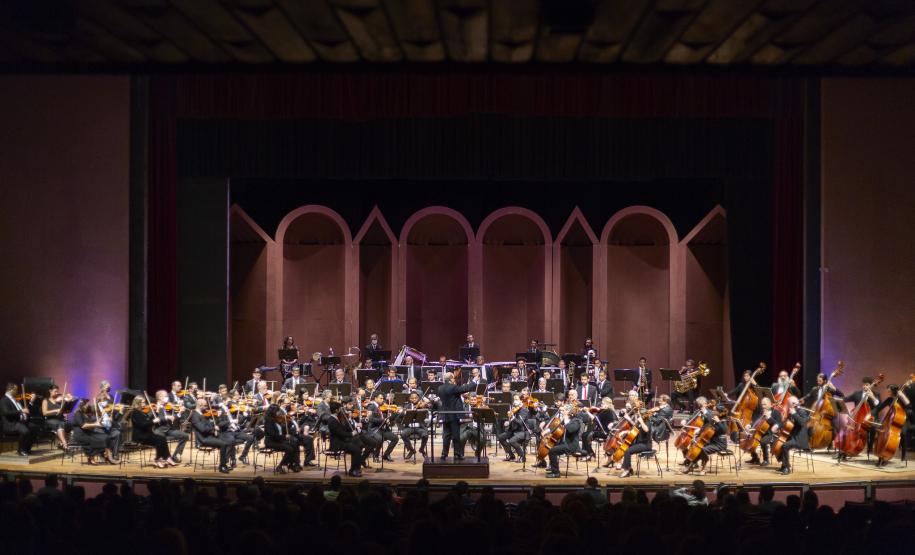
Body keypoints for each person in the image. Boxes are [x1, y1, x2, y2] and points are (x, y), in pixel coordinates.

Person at [437, 372, 476, 460]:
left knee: (446, 435)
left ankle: (444, 454)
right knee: (455, 435)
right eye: (453, 378)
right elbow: (466, 388)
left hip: (445, 415)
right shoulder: (452, 387)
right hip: (453, 415)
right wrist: (474, 381)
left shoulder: (440, 388)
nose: (454, 380)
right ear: (451, 379)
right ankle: (457, 454)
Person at [128, 397, 175, 468]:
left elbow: (149, 420)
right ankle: (160, 459)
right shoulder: (135, 413)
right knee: (159, 439)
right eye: (143, 402)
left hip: (147, 434)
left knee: (162, 438)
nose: (145, 404)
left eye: (144, 402)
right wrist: (153, 421)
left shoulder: (142, 412)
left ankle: (166, 457)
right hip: (140, 436)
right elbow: (142, 424)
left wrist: (156, 412)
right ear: (137, 403)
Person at [189, 398, 232, 474]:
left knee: (229, 441)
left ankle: (224, 463)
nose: (206, 407)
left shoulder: (201, 414)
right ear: (200, 405)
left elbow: (208, 425)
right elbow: (202, 429)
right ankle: (222, 466)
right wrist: (213, 429)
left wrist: (215, 425)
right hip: (203, 439)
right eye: (205, 405)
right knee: (223, 444)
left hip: (208, 436)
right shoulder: (195, 415)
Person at [325, 400, 365, 477]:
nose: (342, 410)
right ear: (336, 410)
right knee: (356, 449)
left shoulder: (336, 418)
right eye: (340, 409)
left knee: (357, 445)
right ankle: (353, 470)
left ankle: (356, 468)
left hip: (341, 441)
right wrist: (352, 433)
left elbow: (343, 430)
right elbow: (341, 433)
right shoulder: (332, 420)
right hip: (337, 444)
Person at [545, 403, 582, 478]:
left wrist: (565, 420)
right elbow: (556, 426)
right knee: (549, 447)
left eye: (564, 410)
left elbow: (570, 429)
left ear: (569, 411)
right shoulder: (566, 420)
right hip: (564, 443)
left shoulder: (576, 421)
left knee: (552, 451)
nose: (562, 411)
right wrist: (547, 431)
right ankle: (553, 469)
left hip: (571, 445)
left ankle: (556, 473)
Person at [775, 396, 809, 475]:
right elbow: (786, 422)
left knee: (785, 446)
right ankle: (784, 465)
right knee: (778, 444)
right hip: (793, 437)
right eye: (790, 404)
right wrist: (778, 426)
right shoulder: (792, 411)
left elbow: (802, 423)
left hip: (800, 439)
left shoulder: (801, 411)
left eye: (793, 404)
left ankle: (787, 468)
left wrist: (794, 414)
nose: (792, 406)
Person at [152, 389, 189, 463]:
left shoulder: (165, 407)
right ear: (160, 397)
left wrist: (179, 413)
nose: (167, 398)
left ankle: (175, 455)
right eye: (165, 396)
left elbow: (172, 417)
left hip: (168, 430)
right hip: (159, 430)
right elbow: (156, 420)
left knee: (185, 435)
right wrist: (163, 415)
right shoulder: (155, 407)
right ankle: (161, 457)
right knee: (160, 438)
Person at [1, 383, 38, 456]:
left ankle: (27, 449)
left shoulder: (16, 400)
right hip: (11, 424)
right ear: (10, 390)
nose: (17, 391)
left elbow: (25, 410)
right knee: (25, 431)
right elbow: (7, 413)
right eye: (16, 390)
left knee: (35, 428)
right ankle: (21, 450)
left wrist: (30, 402)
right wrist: (21, 411)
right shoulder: (3, 400)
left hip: (21, 422)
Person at [263, 404, 301, 473]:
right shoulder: (269, 422)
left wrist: (288, 423)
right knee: (290, 449)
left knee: (295, 443)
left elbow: (282, 430)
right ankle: (280, 466)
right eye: (277, 411)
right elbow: (272, 435)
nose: (279, 413)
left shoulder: (276, 420)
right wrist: (284, 437)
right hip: (271, 441)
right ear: (273, 412)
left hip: (278, 439)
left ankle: (292, 464)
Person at [618, 404, 652, 478]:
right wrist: (624, 432)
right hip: (638, 443)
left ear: (643, 415)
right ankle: (629, 468)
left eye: (639, 414)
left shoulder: (647, 422)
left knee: (627, 451)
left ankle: (626, 470)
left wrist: (641, 422)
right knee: (624, 447)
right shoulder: (639, 423)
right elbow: (633, 431)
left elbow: (646, 430)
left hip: (645, 445)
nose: (638, 415)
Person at [746, 396, 781, 466]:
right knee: (749, 438)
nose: (763, 406)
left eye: (764, 404)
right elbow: (756, 421)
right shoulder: (761, 412)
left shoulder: (775, 412)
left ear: (770, 404)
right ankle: (755, 458)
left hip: (770, 433)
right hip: (760, 432)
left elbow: (778, 424)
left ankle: (766, 459)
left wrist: (769, 417)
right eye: (762, 404)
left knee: (763, 441)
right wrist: (750, 425)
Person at [41, 384, 72, 449]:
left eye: (57, 391)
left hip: (60, 419)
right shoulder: (45, 400)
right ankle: (65, 444)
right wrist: (56, 410)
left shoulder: (60, 400)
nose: (57, 393)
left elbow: (66, 411)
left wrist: (69, 400)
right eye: (55, 391)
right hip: (50, 420)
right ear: (50, 391)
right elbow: (44, 413)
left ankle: (62, 444)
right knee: (60, 424)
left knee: (69, 424)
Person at [401, 392, 429, 460]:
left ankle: (422, 449)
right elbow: (402, 416)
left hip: (420, 427)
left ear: (418, 398)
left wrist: (423, 408)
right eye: (412, 398)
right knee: (403, 434)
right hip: (409, 427)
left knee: (425, 435)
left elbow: (427, 416)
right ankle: (411, 450)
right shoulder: (406, 406)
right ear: (410, 399)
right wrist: (404, 412)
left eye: (415, 398)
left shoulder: (422, 406)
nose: (414, 399)